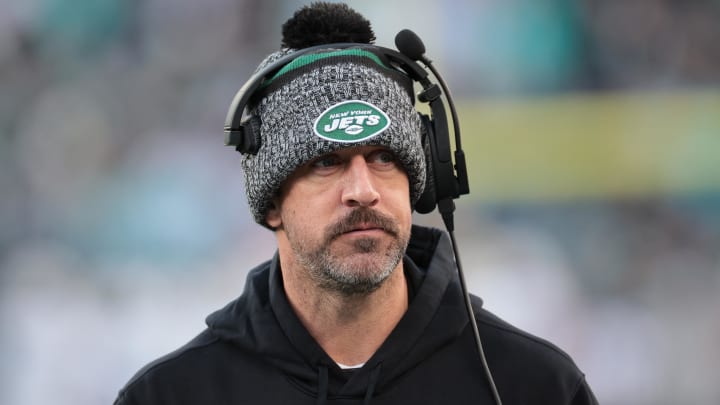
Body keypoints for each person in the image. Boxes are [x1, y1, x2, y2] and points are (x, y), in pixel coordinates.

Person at [114, 3, 598, 404]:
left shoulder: (535, 386)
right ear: (271, 203)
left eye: (384, 157)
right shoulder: (171, 396)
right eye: (327, 162)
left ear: (421, 183)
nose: (363, 189)